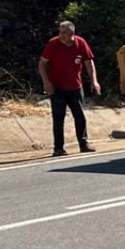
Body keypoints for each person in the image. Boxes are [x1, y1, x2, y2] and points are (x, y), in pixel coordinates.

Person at [38, 21, 100, 157]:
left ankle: (84, 144)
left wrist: (94, 81)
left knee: (80, 115)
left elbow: (89, 62)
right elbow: (42, 64)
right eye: (60, 32)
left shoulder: (80, 43)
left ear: (72, 33)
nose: (61, 35)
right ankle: (58, 148)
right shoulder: (53, 44)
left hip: (75, 86)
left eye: (64, 33)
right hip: (57, 86)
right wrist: (46, 82)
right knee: (58, 117)